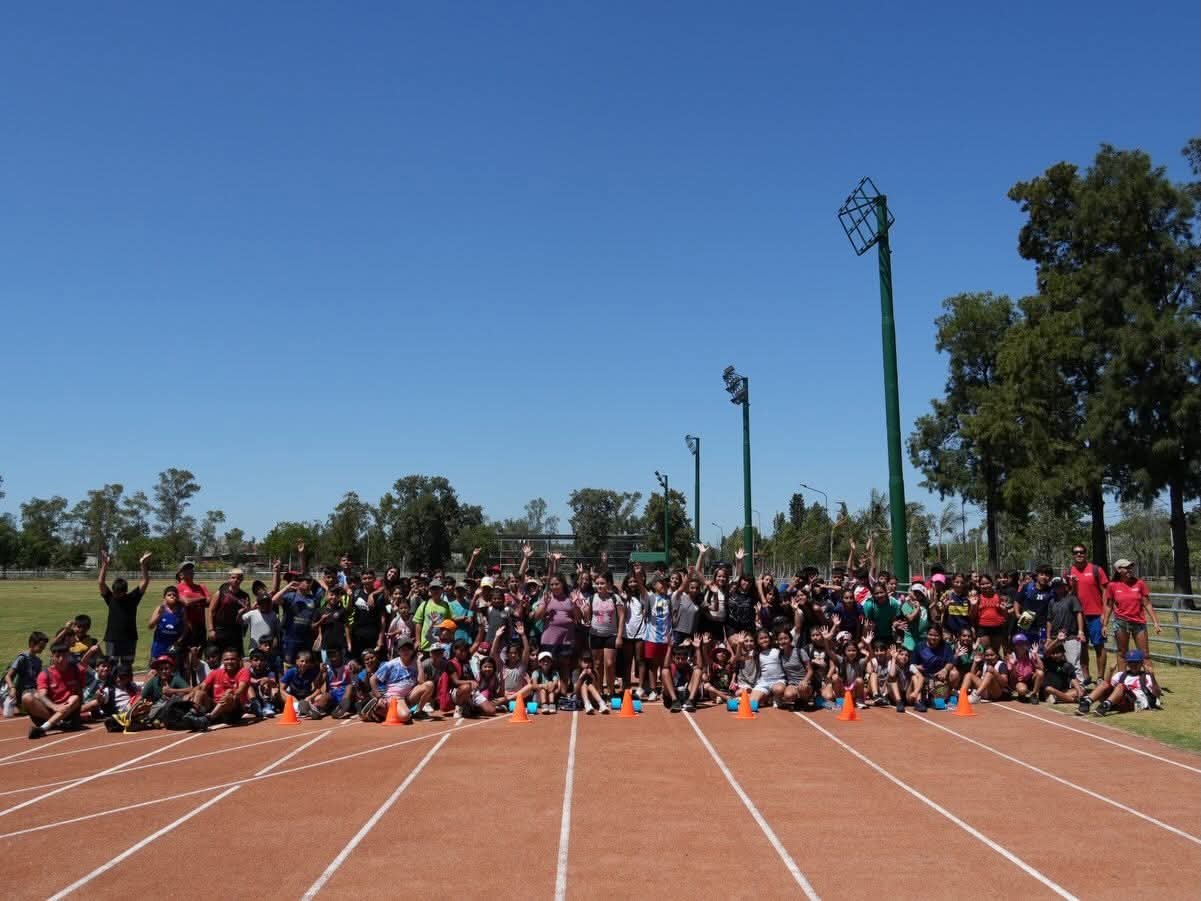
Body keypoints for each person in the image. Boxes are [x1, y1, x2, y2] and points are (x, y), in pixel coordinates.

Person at [1103, 559, 1163, 672]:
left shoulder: (1139, 583)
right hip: (1121, 623)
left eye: (1130, 567)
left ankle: (1149, 680)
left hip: (1139, 623)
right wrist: (1105, 624)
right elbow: (1109, 606)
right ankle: (1121, 680)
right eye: (1126, 568)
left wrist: (1155, 622)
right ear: (1118, 570)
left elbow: (1147, 603)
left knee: (1144, 654)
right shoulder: (1112, 586)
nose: (1129, 570)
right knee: (1122, 653)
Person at [97, 550, 151, 667]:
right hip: (112, 638)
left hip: (129, 638)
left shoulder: (132, 598)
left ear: (125, 592)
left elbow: (145, 581)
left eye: (118, 593)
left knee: (127, 666)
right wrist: (105, 564)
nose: (116, 594)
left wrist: (143, 564)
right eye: (115, 592)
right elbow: (101, 582)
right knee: (111, 665)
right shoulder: (110, 598)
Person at [1068, 543, 1109, 685]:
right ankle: (1086, 677)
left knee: (1099, 646)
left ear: (1086, 554)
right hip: (1077, 616)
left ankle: (1100, 677)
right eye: (1076, 552)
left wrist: (1104, 613)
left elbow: (1105, 592)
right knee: (1082, 647)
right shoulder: (1069, 572)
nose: (1079, 554)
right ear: (1073, 555)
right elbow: (1069, 594)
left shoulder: (1096, 570)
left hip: (1096, 615)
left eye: (1082, 552)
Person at [26, 642, 85, 739]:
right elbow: (42, 695)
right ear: (52, 657)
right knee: (27, 698)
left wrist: (77, 713)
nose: (61, 659)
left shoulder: (76, 670)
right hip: (51, 709)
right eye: (57, 656)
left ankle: (43, 729)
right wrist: (54, 707)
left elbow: (80, 691)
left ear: (68, 656)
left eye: (64, 656)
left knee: (75, 698)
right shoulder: (45, 674)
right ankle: (59, 722)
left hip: (69, 710)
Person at [1077, 649, 1162, 717]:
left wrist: (1152, 676)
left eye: (1136, 663)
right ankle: (1086, 703)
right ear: (1127, 664)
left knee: (1120, 686)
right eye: (1131, 663)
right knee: (1104, 683)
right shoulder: (1121, 675)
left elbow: (1157, 693)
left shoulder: (1146, 677)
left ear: (1141, 663)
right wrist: (1110, 671)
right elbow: (1105, 685)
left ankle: (1105, 705)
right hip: (1118, 700)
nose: (1133, 665)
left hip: (1134, 702)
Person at [585, 572, 624, 700]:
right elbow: (587, 617)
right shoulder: (591, 598)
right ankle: (599, 691)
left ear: (608, 584)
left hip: (611, 635)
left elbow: (622, 617)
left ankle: (611, 691)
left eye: (602, 583)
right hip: (595, 635)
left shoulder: (615, 598)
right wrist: (585, 611)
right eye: (597, 583)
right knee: (597, 664)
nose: (599, 586)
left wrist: (619, 636)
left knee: (609, 664)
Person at [195, 648, 253, 725]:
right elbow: (202, 687)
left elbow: (241, 689)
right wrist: (192, 694)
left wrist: (231, 693)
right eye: (226, 659)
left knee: (228, 692)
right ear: (222, 661)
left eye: (232, 659)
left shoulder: (244, 671)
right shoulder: (215, 672)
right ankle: (193, 715)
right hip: (215, 705)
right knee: (199, 693)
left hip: (233, 709)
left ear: (238, 660)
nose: (229, 662)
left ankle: (209, 718)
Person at [1046, 577, 1085, 680]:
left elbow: (1078, 613)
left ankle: (1079, 685)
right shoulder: (1052, 602)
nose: (1057, 588)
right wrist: (1048, 637)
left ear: (1065, 586)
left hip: (1070, 636)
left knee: (1073, 663)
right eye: (1055, 586)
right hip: (1056, 637)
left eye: (1060, 585)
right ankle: (1063, 684)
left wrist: (1080, 631)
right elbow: (1049, 620)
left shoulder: (1072, 598)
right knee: (1055, 662)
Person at [4, 631, 48, 718]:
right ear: (32, 644)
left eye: (43, 647)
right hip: (22, 692)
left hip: (33, 690)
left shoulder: (38, 661)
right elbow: (8, 676)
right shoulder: (22, 658)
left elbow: (38, 680)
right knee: (40, 698)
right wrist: (12, 688)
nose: (42, 649)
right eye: (40, 647)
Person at [174, 562, 211, 655]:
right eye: (186, 570)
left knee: (198, 653)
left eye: (191, 569)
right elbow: (186, 602)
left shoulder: (201, 587)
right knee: (184, 654)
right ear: (181, 575)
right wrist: (201, 598)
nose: (190, 571)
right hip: (186, 627)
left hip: (200, 626)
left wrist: (194, 601)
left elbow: (209, 602)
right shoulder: (177, 588)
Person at [210, 568, 250, 652]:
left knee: (235, 656)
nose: (236, 580)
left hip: (236, 631)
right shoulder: (221, 592)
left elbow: (247, 616)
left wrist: (243, 612)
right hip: (220, 629)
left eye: (238, 578)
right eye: (233, 577)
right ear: (229, 578)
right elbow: (211, 611)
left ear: (242, 579)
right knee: (217, 655)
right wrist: (211, 630)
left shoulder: (245, 596)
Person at [148, 585, 189, 664]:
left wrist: (178, 641)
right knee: (156, 666)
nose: (172, 596)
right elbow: (150, 626)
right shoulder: (160, 608)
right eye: (169, 595)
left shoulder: (182, 610)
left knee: (172, 667)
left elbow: (185, 628)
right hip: (159, 646)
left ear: (177, 597)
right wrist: (159, 615)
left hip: (173, 646)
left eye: (174, 595)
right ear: (164, 597)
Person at [661, 641, 702, 713]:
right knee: (665, 671)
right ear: (673, 658)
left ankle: (690, 701)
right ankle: (675, 702)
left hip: (687, 694)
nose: (680, 661)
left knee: (698, 671)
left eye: (683, 659)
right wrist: (669, 648)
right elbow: (665, 666)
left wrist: (698, 649)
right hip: (673, 695)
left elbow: (700, 666)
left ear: (686, 659)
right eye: (678, 658)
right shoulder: (671, 667)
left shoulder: (689, 667)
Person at [1007, 634, 1043, 703]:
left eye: (1023, 643)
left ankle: (1034, 695)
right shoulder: (1012, 657)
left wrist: (1036, 655)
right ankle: (1022, 693)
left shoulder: (1030, 654)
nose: (1021, 646)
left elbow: (1041, 668)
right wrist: (1013, 665)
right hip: (1018, 681)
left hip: (1029, 679)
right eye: (1018, 644)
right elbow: (1012, 677)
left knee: (1040, 673)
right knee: (1022, 690)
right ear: (1014, 646)